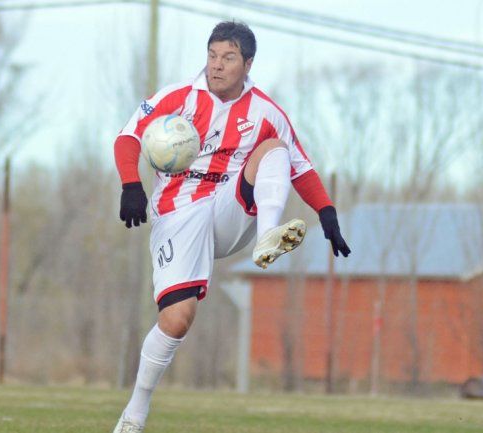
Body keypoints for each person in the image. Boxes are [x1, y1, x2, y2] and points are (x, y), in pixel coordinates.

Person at [112, 21, 351, 432]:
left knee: (274, 149)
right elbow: (129, 136)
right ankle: (134, 414)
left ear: (248, 63)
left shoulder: (265, 111)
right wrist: (131, 184)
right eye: (212, 55)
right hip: (178, 213)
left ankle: (267, 239)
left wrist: (326, 211)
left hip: (231, 208)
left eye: (228, 58)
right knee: (176, 320)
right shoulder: (178, 98)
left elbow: (300, 165)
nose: (216, 66)